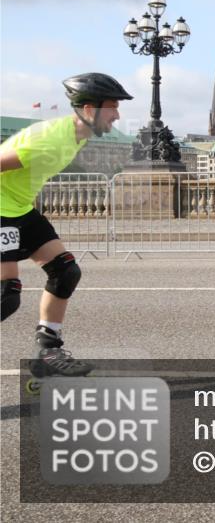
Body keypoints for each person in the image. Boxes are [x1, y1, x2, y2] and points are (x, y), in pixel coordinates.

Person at [0, 73, 133, 378]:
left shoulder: (77, 136)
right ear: (89, 109)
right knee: (6, 295)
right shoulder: (48, 139)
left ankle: (48, 352)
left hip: (18, 209)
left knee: (65, 271)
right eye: (112, 107)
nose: (117, 115)